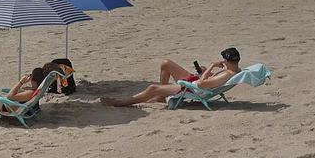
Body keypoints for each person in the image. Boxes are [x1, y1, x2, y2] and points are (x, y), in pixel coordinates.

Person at [100, 48, 243, 106]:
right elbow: (212, 81)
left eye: (224, 59)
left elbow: (201, 85)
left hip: (193, 88)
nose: (222, 61)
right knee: (166, 64)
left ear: (228, 61)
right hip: (197, 81)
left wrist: (211, 67)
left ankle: (119, 103)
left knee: (152, 88)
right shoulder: (235, 70)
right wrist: (206, 72)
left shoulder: (227, 74)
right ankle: (162, 97)